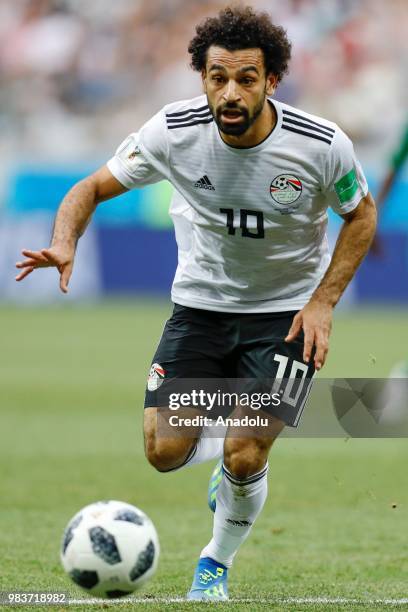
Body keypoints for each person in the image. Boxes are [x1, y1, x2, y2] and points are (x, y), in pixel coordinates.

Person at [15, 6, 377, 601]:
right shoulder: (173, 130)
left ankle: (215, 562)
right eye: (217, 77)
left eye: (246, 79)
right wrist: (63, 240)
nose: (230, 92)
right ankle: (227, 446)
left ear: (272, 81)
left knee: (246, 448)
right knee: (163, 452)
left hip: (287, 317)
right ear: (202, 76)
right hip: (201, 309)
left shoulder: (321, 145)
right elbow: (89, 187)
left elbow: (360, 214)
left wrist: (323, 302)